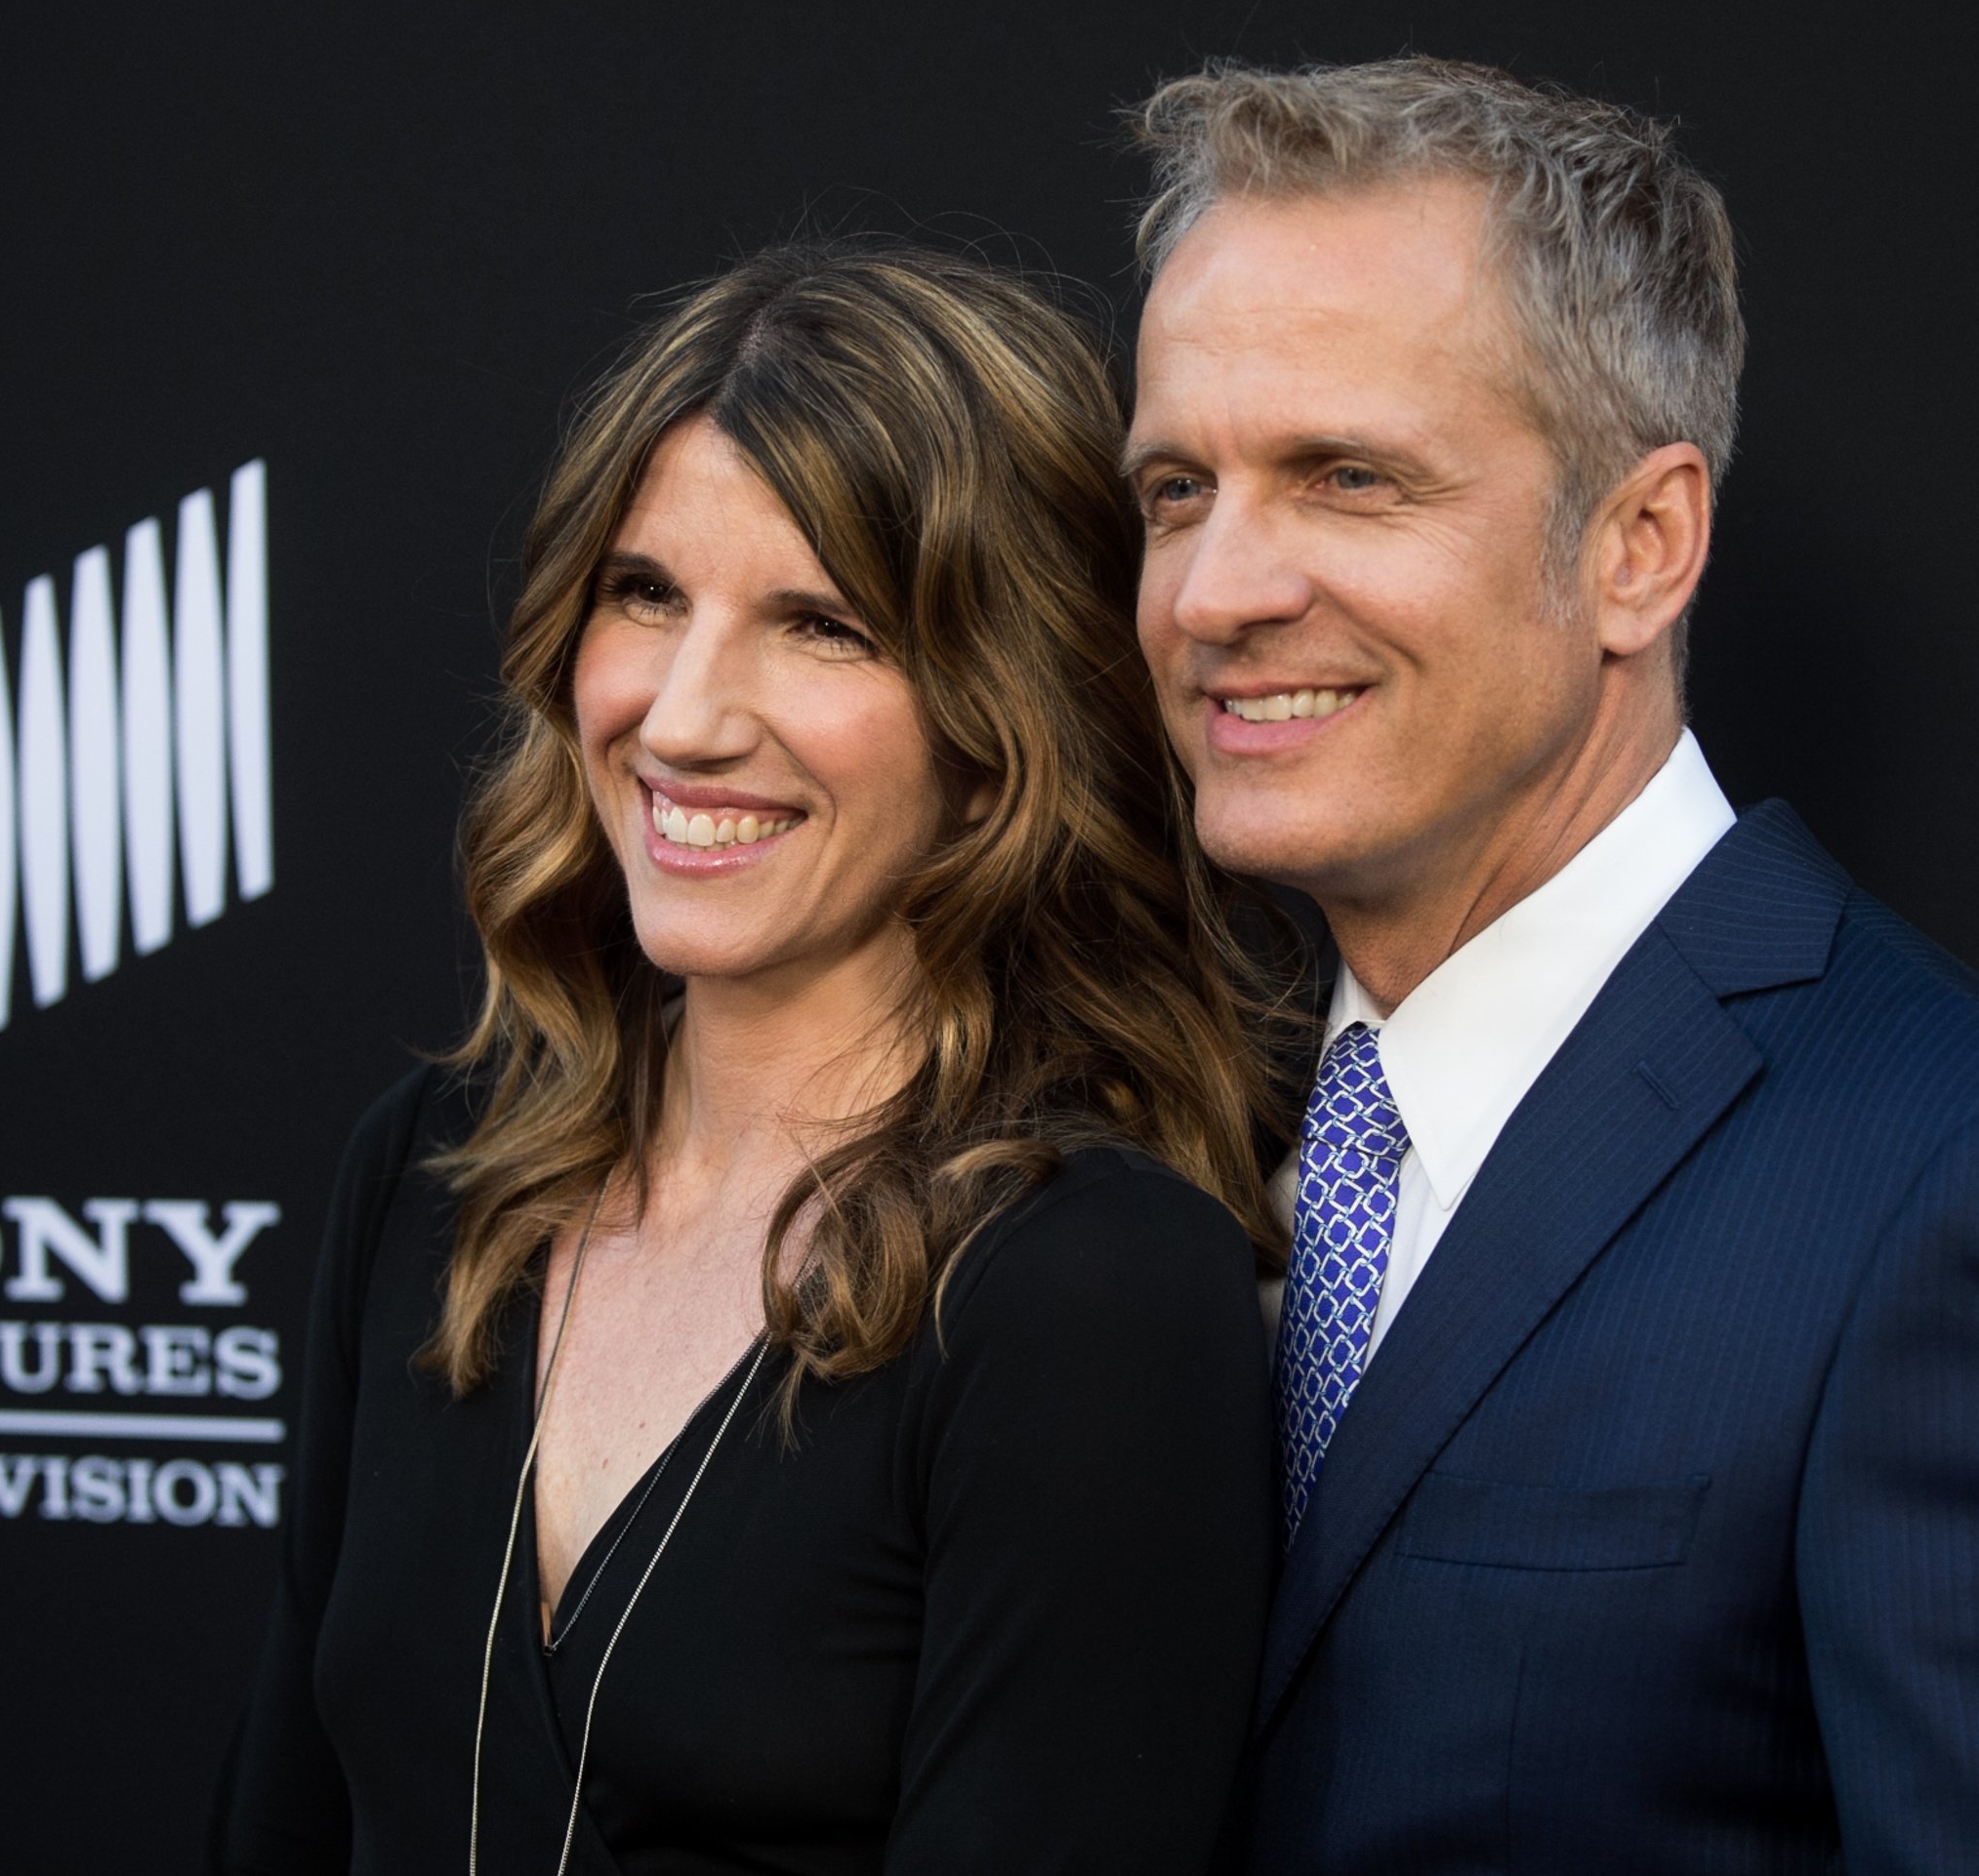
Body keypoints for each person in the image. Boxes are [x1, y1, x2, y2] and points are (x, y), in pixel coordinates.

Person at [1122, 59, 1979, 1873]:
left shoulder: (1957, 1194)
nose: (1212, 591)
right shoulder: (1168, 1118)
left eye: (1347, 478)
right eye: (1175, 489)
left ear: (1640, 546)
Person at [212, 240, 1297, 1874]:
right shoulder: (440, 1171)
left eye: (822, 624)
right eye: (645, 594)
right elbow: (278, 1817)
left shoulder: (1087, 1290)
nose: (687, 714)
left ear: (1003, 714)